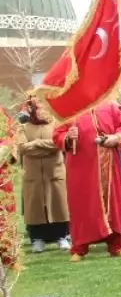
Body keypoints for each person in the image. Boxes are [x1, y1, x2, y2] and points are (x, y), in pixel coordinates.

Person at [53, 102, 121, 261]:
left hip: (109, 164)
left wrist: (115, 137)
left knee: (113, 204)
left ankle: (116, 245)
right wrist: (68, 137)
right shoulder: (68, 108)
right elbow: (57, 135)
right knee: (82, 204)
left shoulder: (109, 106)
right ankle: (79, 247)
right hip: (80, 167)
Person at [14, 97, 70, 252]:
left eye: (44, 107)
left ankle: (62, 237)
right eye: (37, 107)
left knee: (58, 205)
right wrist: (45, 146)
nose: (41, 111)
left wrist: (36, 144)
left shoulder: (56, 124)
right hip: (33, 175)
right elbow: (22, 147)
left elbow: (57, 143)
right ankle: (37, 239)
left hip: (54, 172)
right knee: (35, 207)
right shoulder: (23, 127)